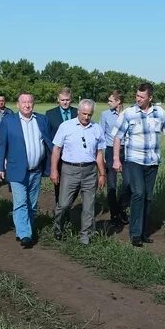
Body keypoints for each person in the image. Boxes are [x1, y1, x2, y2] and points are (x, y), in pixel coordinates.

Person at [113, 82, 165, 247]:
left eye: (142, 97)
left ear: (150, 97)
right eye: (137, 96)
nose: (138, 99)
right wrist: (116, 158)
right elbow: (117, 137)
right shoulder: (128, 113)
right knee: (138, 193)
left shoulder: (159, 112)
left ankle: (143, 232)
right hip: (134, 160)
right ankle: (135, 234)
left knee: (148, 197)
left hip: (152, 161)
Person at [0, 92, 53, 248]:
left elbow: (48, 143)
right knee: (21, 202)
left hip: (36, 170)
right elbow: (2, 146)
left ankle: (24, 229)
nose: (27, 105)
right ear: (17, 104)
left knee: (32, 205)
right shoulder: (9, 121)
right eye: (24, 102)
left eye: (30, 102)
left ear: (33, 104)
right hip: (16, 169)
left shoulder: (42, 120)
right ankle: (25, 234)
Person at [51, 99, 106, 244]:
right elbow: (56, 150)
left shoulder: (97, 128)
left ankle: (85, 237)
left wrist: (102, 174)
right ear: (78, 112)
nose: (86, 117)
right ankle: (58, 228)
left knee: (89, 207)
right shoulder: (65, 126)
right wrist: (54, 170)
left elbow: (99, 153)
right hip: (69, 170)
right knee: (63, 205)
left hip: (89, 171)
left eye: (89, 114)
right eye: (84, 114)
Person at [99, 89, 130, 228]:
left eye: (111, 100)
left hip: (127, 151)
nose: (108, 102)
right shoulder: (105, 114)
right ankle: (114, 214)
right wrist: (102, 155)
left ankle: (122, 207)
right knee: (111, 184)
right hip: (111, 151)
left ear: (118, 102)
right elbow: (100, 136)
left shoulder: (128, 114)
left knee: (128, 182)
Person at [45, 87, 78, 203]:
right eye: (62, 100)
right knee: (59, 185)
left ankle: (68, 204)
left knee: (75, 185)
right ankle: (61, 211)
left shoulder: (77, 113)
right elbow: (48, 136)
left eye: (67, 100)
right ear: (58, 99)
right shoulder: (50, 114)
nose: (65, 102)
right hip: (58, 156)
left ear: (71, 99)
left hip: (74, 156)